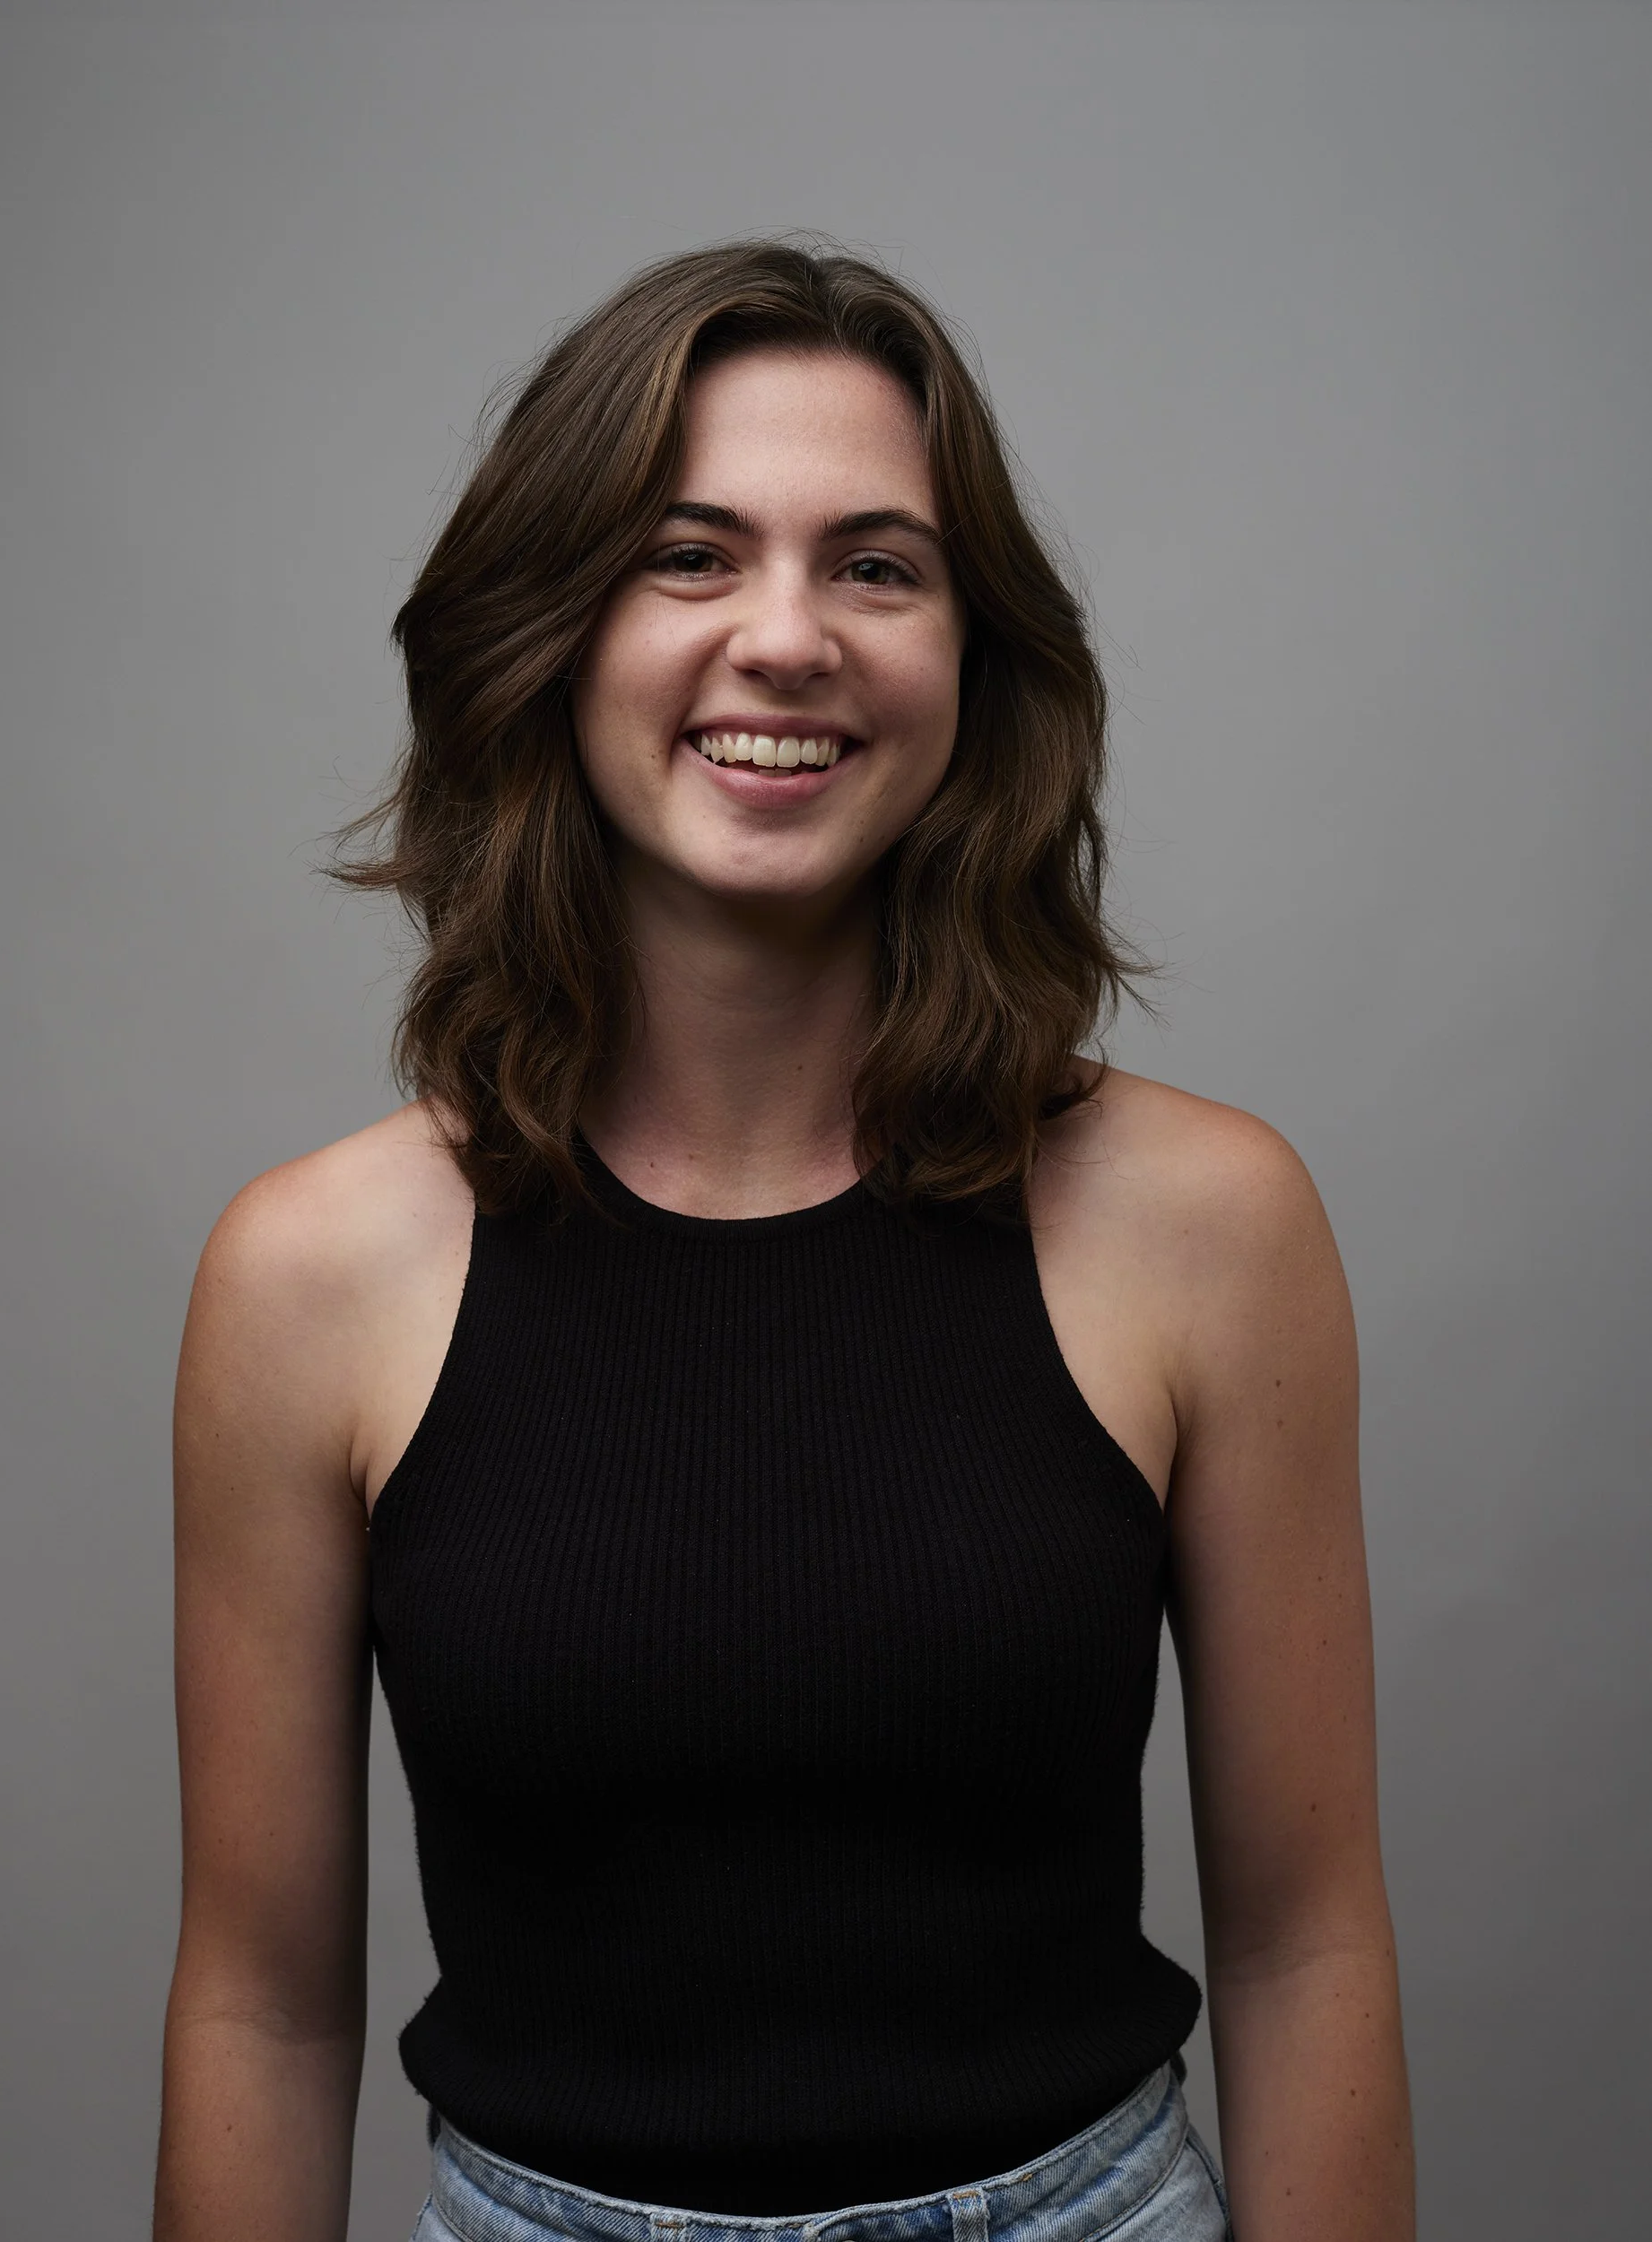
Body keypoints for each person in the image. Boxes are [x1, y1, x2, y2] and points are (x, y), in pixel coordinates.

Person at [153, 241, 1413, 2242]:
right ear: (549, 635)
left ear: (973, 661)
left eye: (878, 564)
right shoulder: (308, 1277)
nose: (786, 636)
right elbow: (261, 2003)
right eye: (688, 553)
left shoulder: (1206, 1224)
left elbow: (1305, 1939)